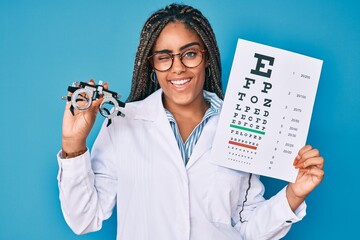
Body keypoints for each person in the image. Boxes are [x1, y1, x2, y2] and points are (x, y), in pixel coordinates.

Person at [57, 3, 324, 240]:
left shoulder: (239, 124)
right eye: (164, 57)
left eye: (190, 53)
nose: (177, 68)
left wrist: (293, 195)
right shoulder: (122, 125)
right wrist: (73, 145)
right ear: (152, 65)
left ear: (206, 57)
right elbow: (84, 220)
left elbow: (246, 229)